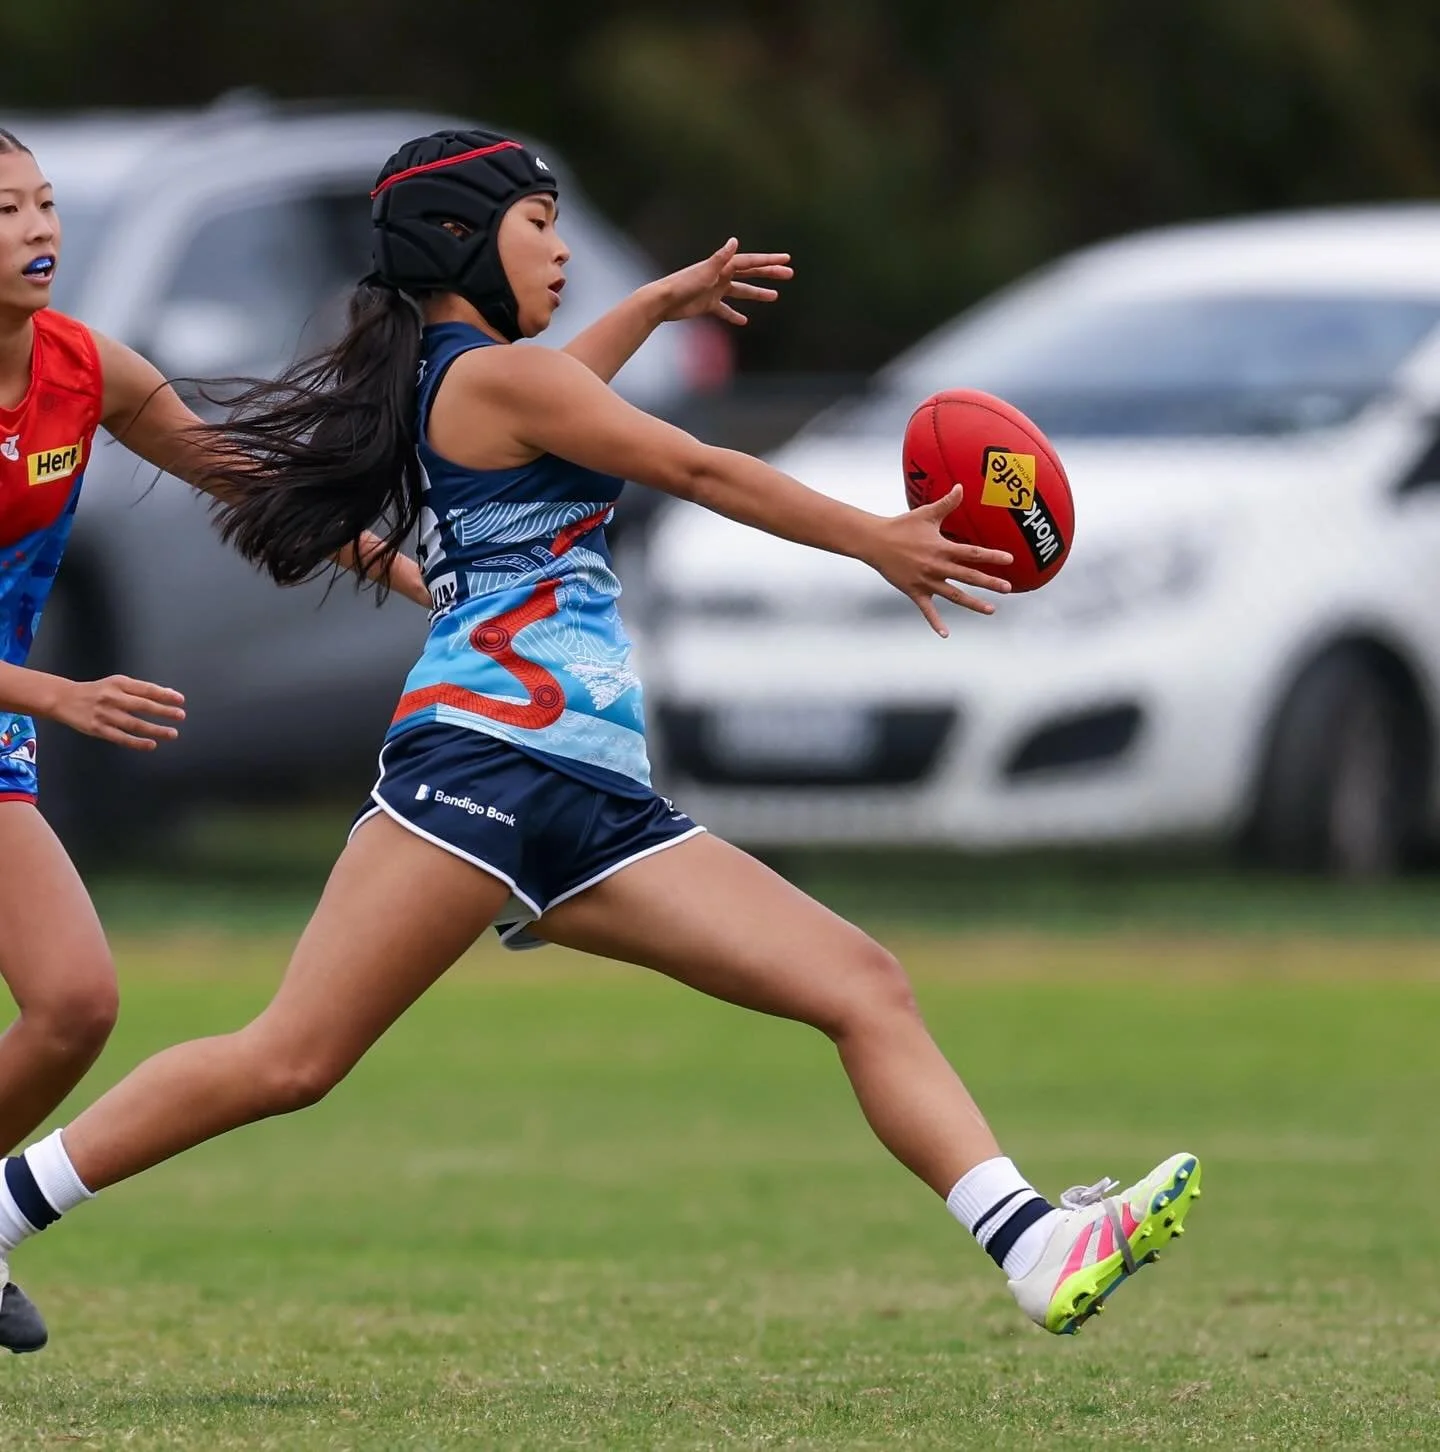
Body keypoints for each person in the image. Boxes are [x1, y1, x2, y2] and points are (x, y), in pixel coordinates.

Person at [0, 129, 1201, 1352]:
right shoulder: (497, 383)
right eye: (539, 226)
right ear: (463, 242)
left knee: (858, 985)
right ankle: (3, 1208)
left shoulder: (486, 380)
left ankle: (1034, 1243)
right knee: (288, 1061)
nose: (564, 250)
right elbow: (697, 465)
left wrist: (655, 303)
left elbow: (572, 392)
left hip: (591, 795)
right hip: (481, 765)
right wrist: (872, 537)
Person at [0, 127, 429, 1352]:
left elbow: (241, 475)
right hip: (20, 708)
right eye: (5, 210)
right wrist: (56, 697)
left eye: (45, 204)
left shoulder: (87, 369)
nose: (38, 229)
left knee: (76, 1004)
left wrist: (415, 579)